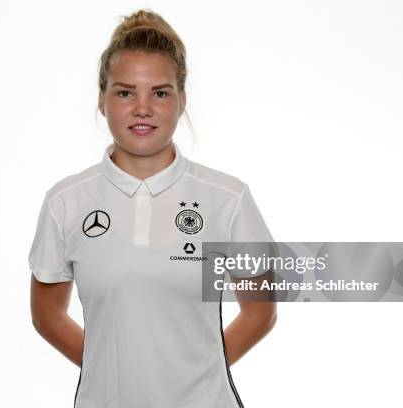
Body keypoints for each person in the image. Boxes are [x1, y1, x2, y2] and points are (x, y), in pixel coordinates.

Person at [28, 9, 277, 408]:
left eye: (160, 92)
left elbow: (260, 313)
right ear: (102, 100)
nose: (142, 108)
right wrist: (111, 376)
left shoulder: (227, 199)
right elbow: (48, 316)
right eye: (125, 92)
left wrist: (193, 379)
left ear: (181, 101)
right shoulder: (66, 202)